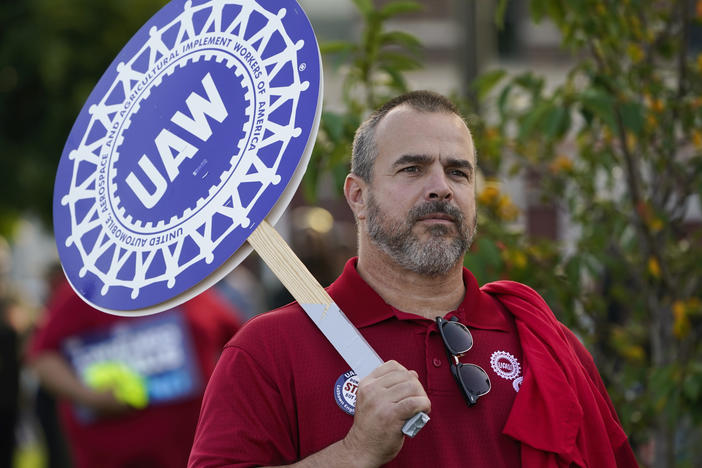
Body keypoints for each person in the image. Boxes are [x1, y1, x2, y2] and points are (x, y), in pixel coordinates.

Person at [188, 90, 638, 467]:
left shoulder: (547, 345)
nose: (441, 186)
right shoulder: (267, 350)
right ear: (357, 196)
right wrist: (353, 452)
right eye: (413, 169)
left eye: (458, 172)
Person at [28, 272, 242, 468]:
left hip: (195, 453)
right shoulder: (89, 291)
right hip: (111, 455)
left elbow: (239, 344)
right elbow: (43, 357)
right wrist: (90, 396)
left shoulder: (189, 287)